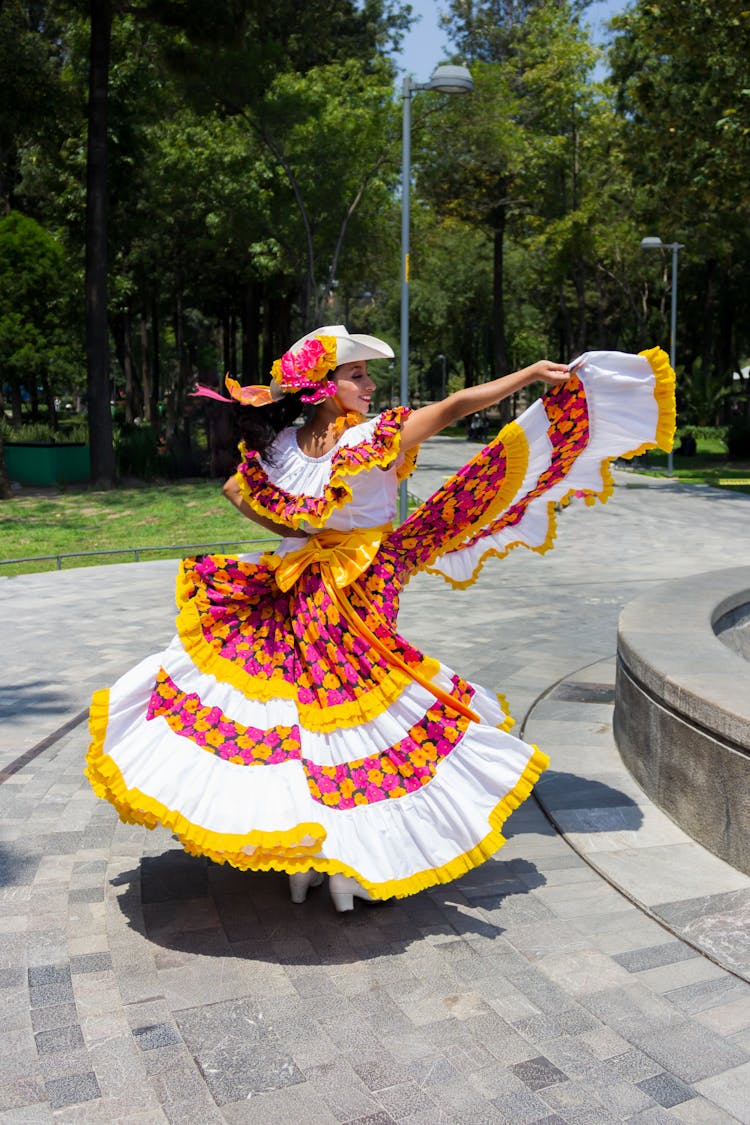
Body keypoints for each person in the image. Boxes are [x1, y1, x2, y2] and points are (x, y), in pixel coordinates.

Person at [86, 325, 675, 912]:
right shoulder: (368, 438)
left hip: (312, 578)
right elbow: (452, 406)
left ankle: (310, 859)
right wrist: (526, 376)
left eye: (368, 376)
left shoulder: (285, 445)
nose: (370, 386)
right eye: (357, 375)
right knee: (348, 711)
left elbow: (236, 491)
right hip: (362, 580)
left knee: (310, 708)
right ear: (323, 387)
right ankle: (348, 859)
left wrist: (299, 532)